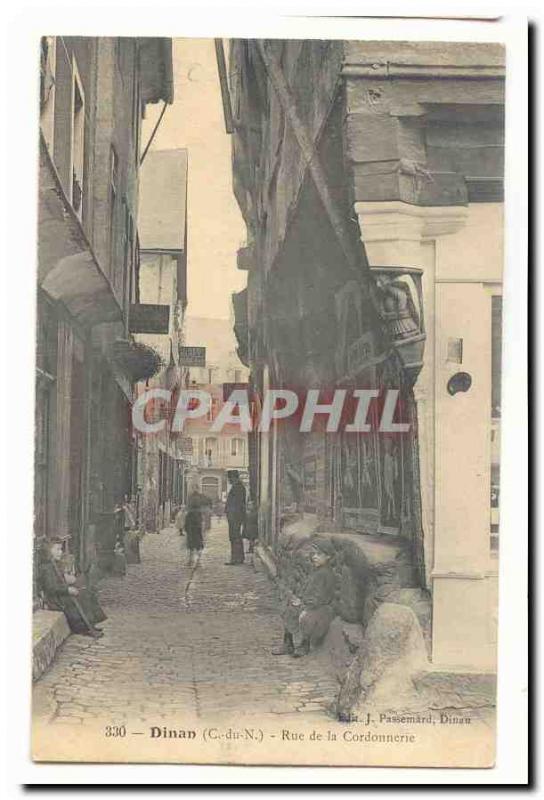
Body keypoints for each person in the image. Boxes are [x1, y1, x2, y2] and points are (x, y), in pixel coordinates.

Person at [272, 539, 336, 658]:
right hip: (311, 604)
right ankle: (288, 643)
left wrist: (304, 604)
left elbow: (321, 597)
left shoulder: (326, 574)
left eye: (319, 555)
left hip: (320, 608)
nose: (315, 557)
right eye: (314, 554)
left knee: (306, 616)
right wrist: (299, 599)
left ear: (328, 557)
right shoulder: (317, 571)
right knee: (289, 609)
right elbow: (308, 589)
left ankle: (304, 644)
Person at [39, 538, 107, 638]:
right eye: (57, 549)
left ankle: (90, 623)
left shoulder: (54, 564)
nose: (61, 552)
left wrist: (67, 580)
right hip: (55, 599)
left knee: (88, 592)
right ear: (49, 551)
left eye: (61, 549)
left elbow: (60, 579)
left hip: (60, 594)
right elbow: (51, 587)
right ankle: (84, 626)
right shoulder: (47, 567)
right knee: (82, 597)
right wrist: (67, 590)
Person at [224, 470, 246, 565]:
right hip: (234, 516)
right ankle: (238, 557)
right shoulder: (237, 487)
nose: (229, 480)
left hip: (235, 516)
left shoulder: (238, 488)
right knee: (235, 536)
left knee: (235, 536)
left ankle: (236, 558)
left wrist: (231, 514)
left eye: (230, 478)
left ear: (234, 477)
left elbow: (237, 504)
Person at [183, 494, 204, 568]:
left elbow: (187, 522)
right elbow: (201, 522)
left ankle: (191, 561)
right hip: (197, 531)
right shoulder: (199, 513)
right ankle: (198, 561)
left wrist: (186, 528)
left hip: (191, 531)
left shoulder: (190, 513)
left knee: (191, 546)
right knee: (198, 546)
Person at [242, 500, 258, 566]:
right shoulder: (247, 513)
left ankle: (252, 558)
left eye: (251, 505)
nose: (249, 506)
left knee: (252, 541)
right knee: (250, 540)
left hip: (253, 529)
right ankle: (251, 552)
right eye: (248, 505)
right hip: (249, 529)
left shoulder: (255, 513)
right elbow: (245, 522)